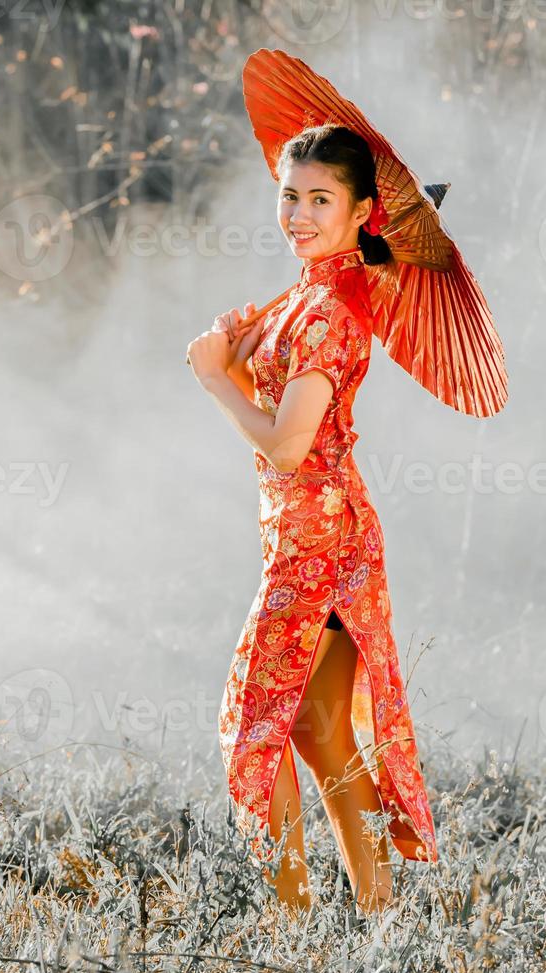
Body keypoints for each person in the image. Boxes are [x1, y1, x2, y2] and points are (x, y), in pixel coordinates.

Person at [186, 125, 438, 919]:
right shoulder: (304, 294)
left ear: (362, 210)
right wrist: (234, 348)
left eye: (319, 200)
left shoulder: (328, 308)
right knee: (318, 732)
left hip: (318, 539)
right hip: (308, 533)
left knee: (254, 724)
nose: (297, 212)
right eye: (289, 194)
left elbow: (290, 447)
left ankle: (291, 928)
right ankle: (376, 916)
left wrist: (214, 383)